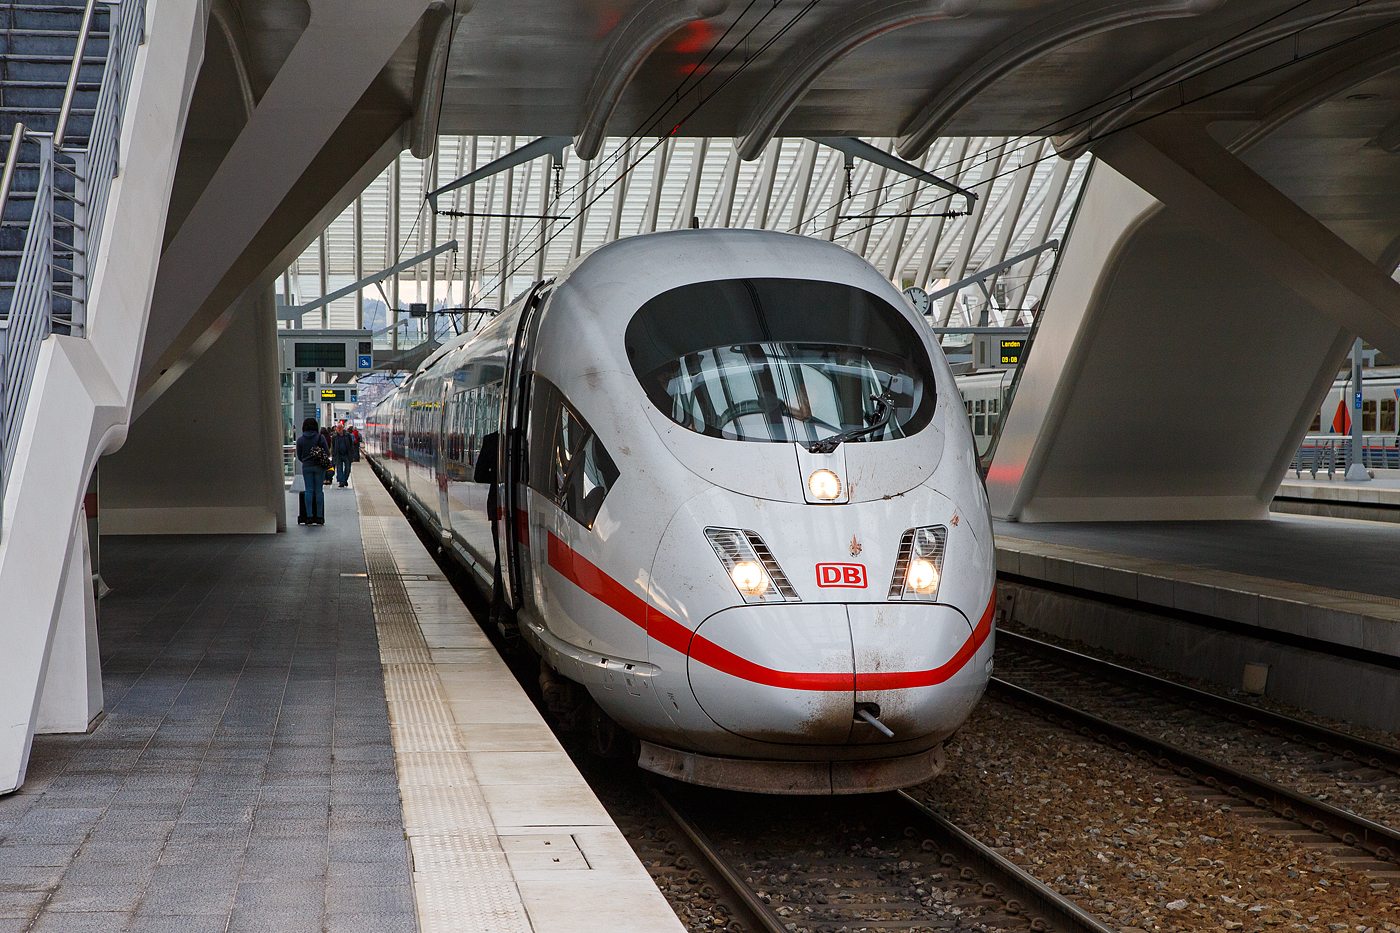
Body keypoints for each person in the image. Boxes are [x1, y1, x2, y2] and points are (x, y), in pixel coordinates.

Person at [296, 417, 330, 525]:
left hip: (307, 467)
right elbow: (327, 452)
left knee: (308, 490)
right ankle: (319, 517)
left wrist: (306, 461)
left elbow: (299, 455)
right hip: (319, 466)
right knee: (318, 491)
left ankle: (309, 517)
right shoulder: (321, 438)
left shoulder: (300, 440)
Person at [332, 421, 359, 488]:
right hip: (338, 454)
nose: (339, 430)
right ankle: (342, 482)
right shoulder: (334, 436)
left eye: (340, 428)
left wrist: (352, 453)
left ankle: (344, 480)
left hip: (347, 454)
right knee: (339, 468)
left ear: (342, 428)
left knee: (348, 468)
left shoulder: (347, 435)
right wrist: (333, 454)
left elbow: (351, 444)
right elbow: (333, 446)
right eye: (338, 428)